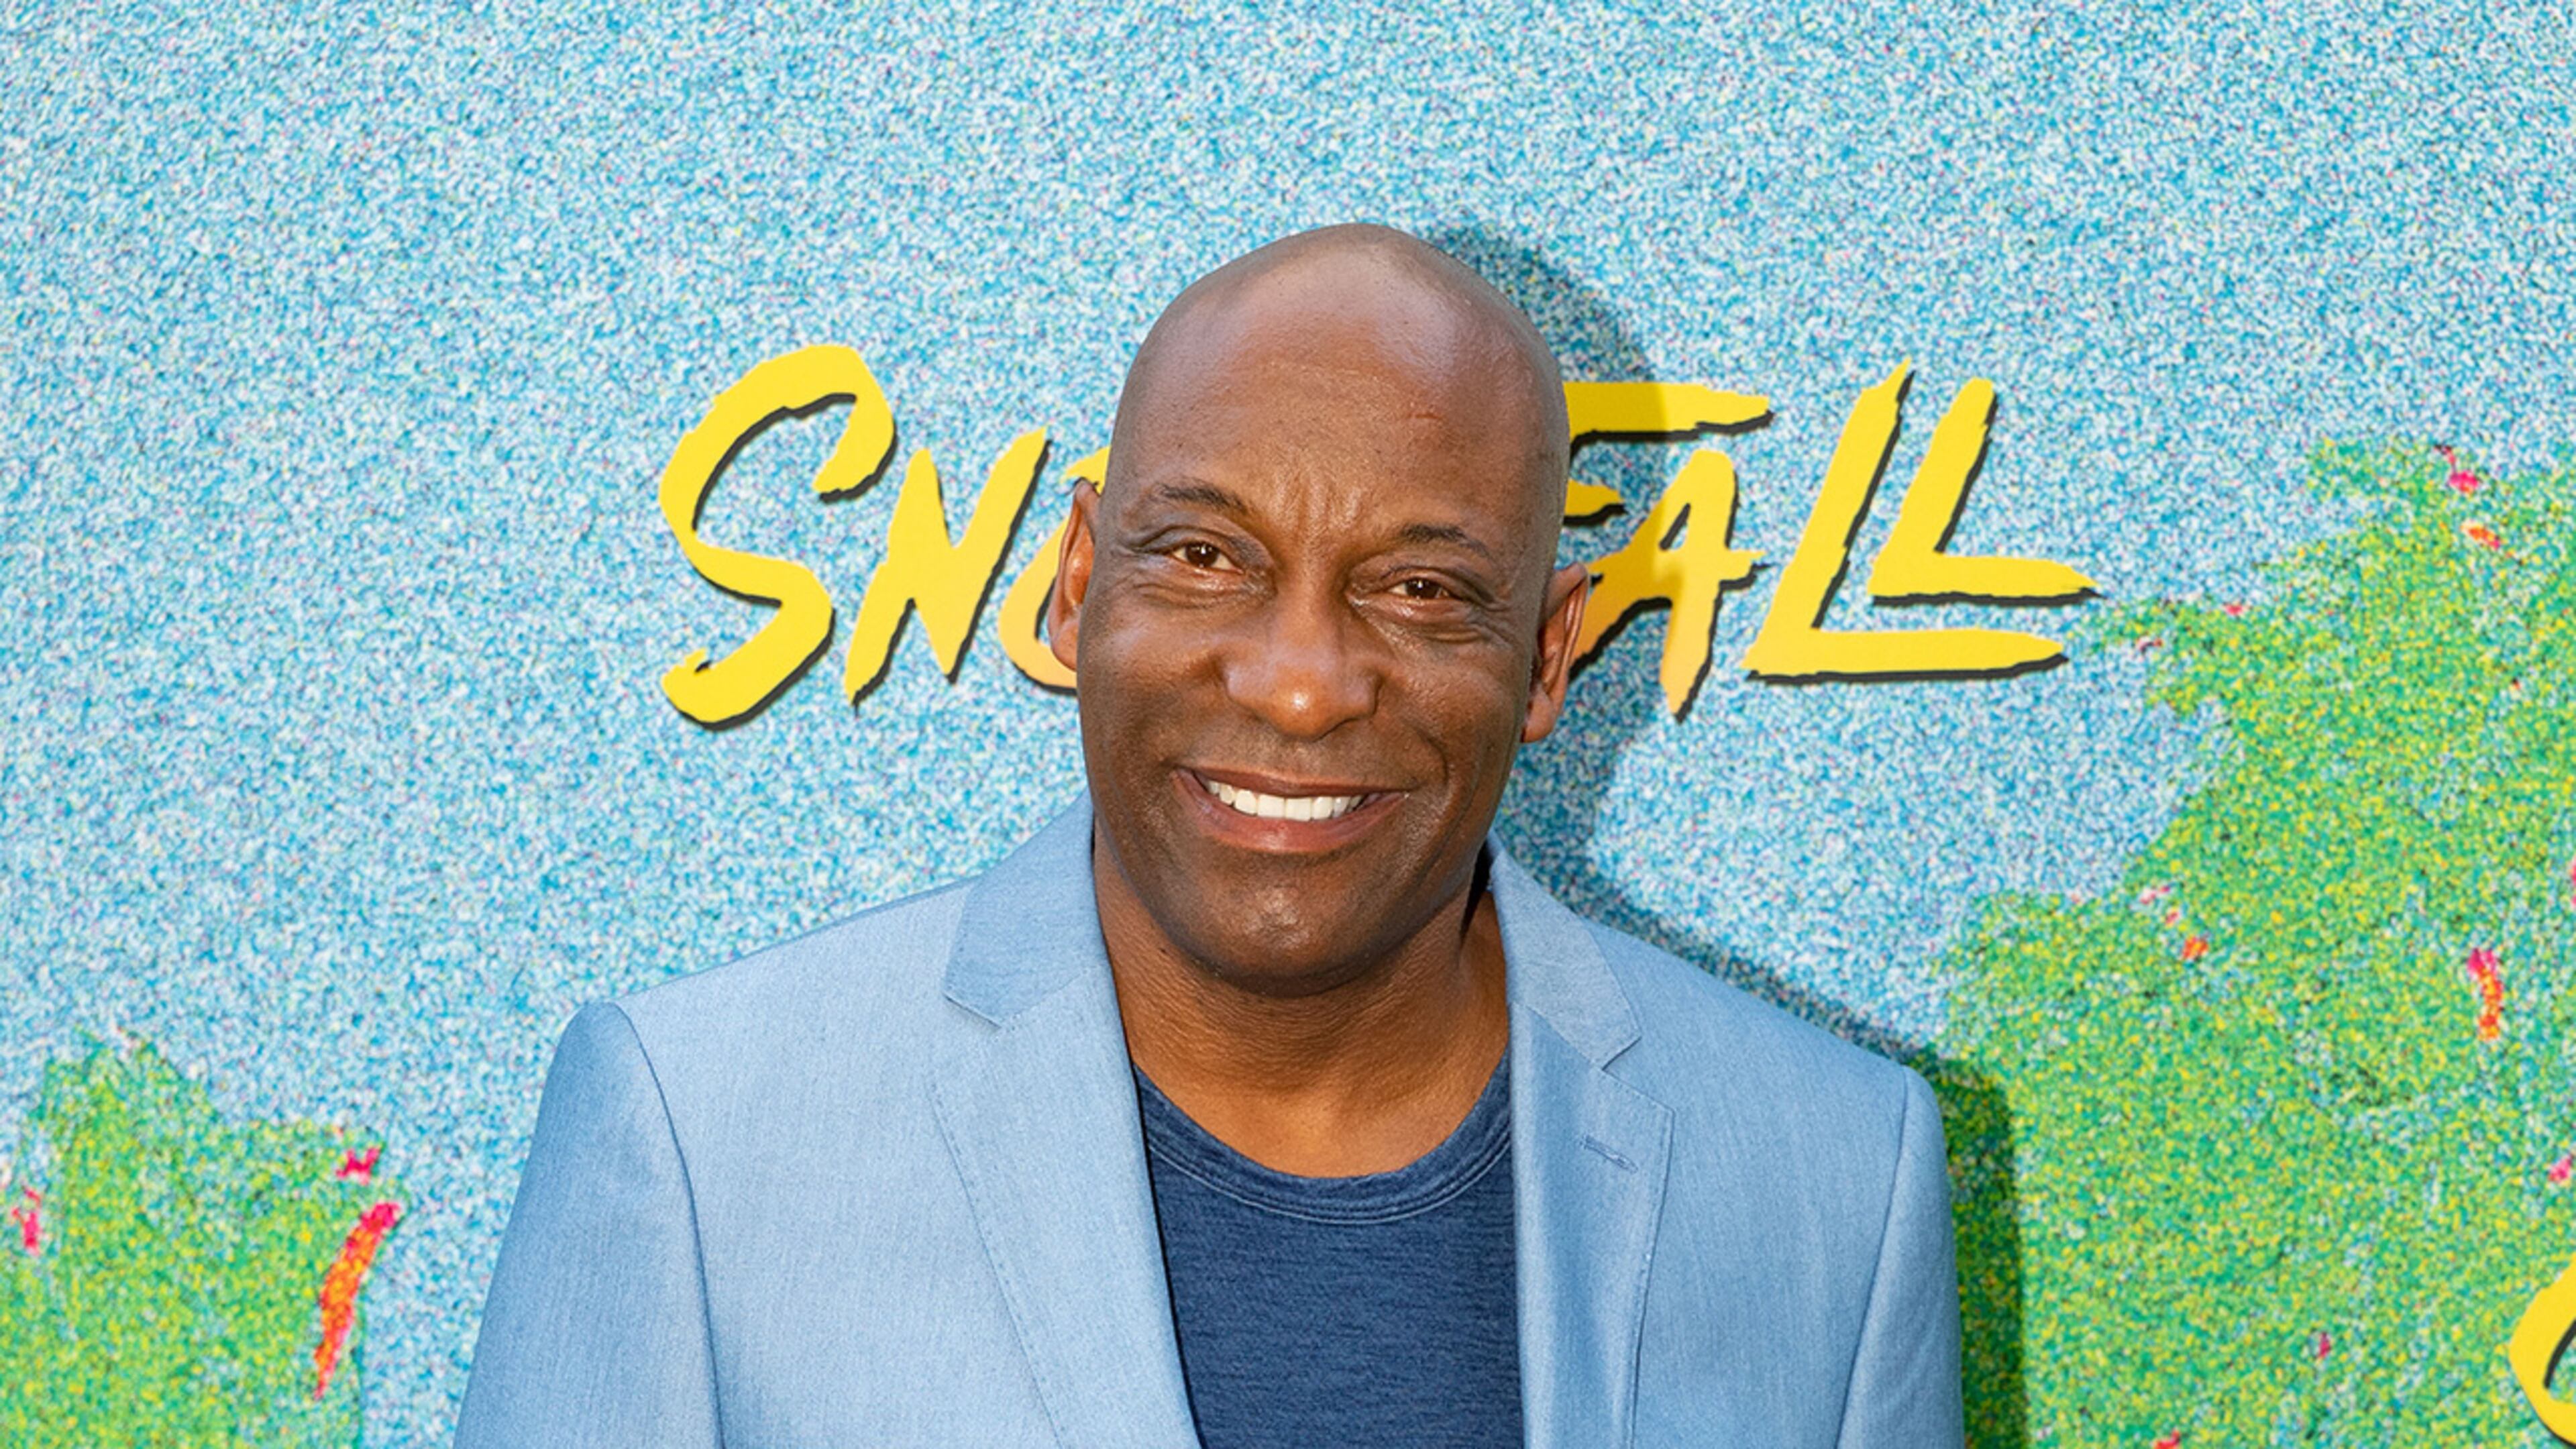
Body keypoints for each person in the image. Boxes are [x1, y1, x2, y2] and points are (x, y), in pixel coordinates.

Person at [455, 224, 1964, 1448]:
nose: (1302, 684)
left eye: (1423, 589)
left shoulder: (1836, 1175)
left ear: (1552, 657)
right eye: (1202, 556)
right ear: (1075, 585)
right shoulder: (703, 1142)